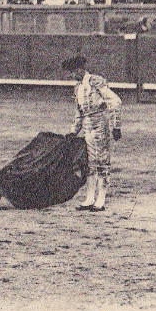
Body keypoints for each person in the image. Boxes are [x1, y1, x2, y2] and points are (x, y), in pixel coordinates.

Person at [62, 55, 122, 212]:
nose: (71, 76)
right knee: (90, 164)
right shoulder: (78, 87)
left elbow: (115, 101)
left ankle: (100, 201)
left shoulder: (95, 81)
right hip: (88, 129)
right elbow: (79, 112)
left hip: (101, 126)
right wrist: (73, 132)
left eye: (72, 72)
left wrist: (116, 126)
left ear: (79, 69)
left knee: (102, 163)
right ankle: (89, 199)